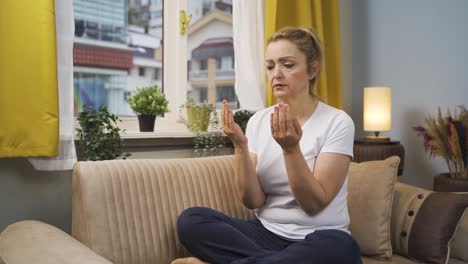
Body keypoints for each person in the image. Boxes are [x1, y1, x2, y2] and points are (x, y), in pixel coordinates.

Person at [171, 27, 361, 264]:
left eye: (288, 65)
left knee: (342, 250)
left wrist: (291, 149)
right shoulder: (258, 121)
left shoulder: (337, 122)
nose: (276, 74)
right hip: (265, 233)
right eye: (270, 66)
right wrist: (240, 147)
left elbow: (314, 204)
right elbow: (253, 201)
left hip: (319, 239)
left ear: (313, 69)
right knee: (192, 220)